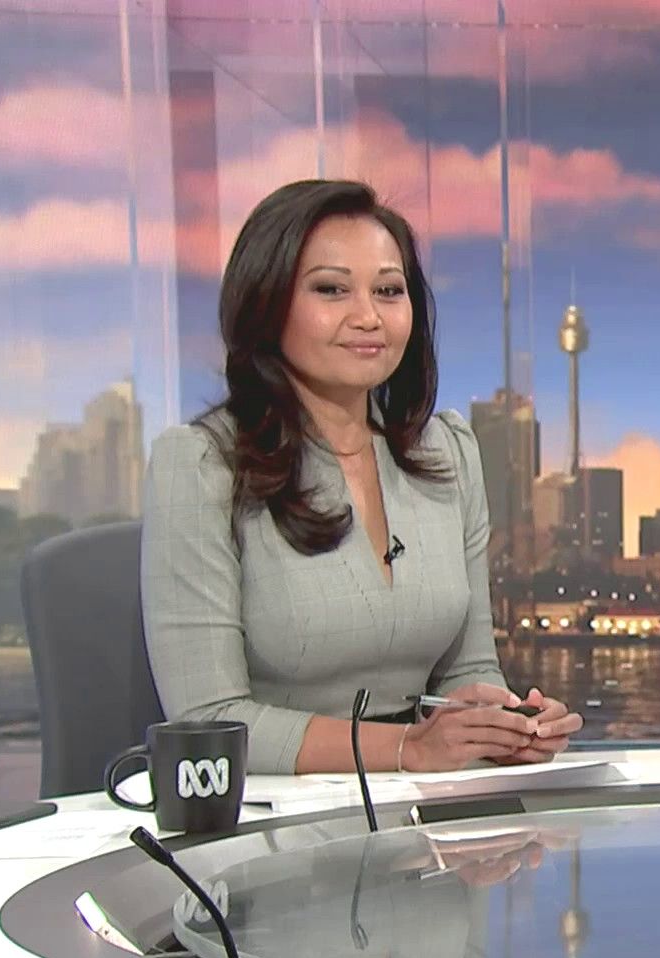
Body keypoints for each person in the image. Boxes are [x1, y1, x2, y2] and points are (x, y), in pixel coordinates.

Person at [142, 179, 582, 775]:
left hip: (425, 806)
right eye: (331, 289)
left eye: (389, 291)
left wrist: (502, 723)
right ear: (266, 302)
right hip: (274, 812)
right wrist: (406, 749)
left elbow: (468, 668)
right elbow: (207, 719)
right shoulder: (202, 465)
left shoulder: (447, 453)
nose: (368, 317)